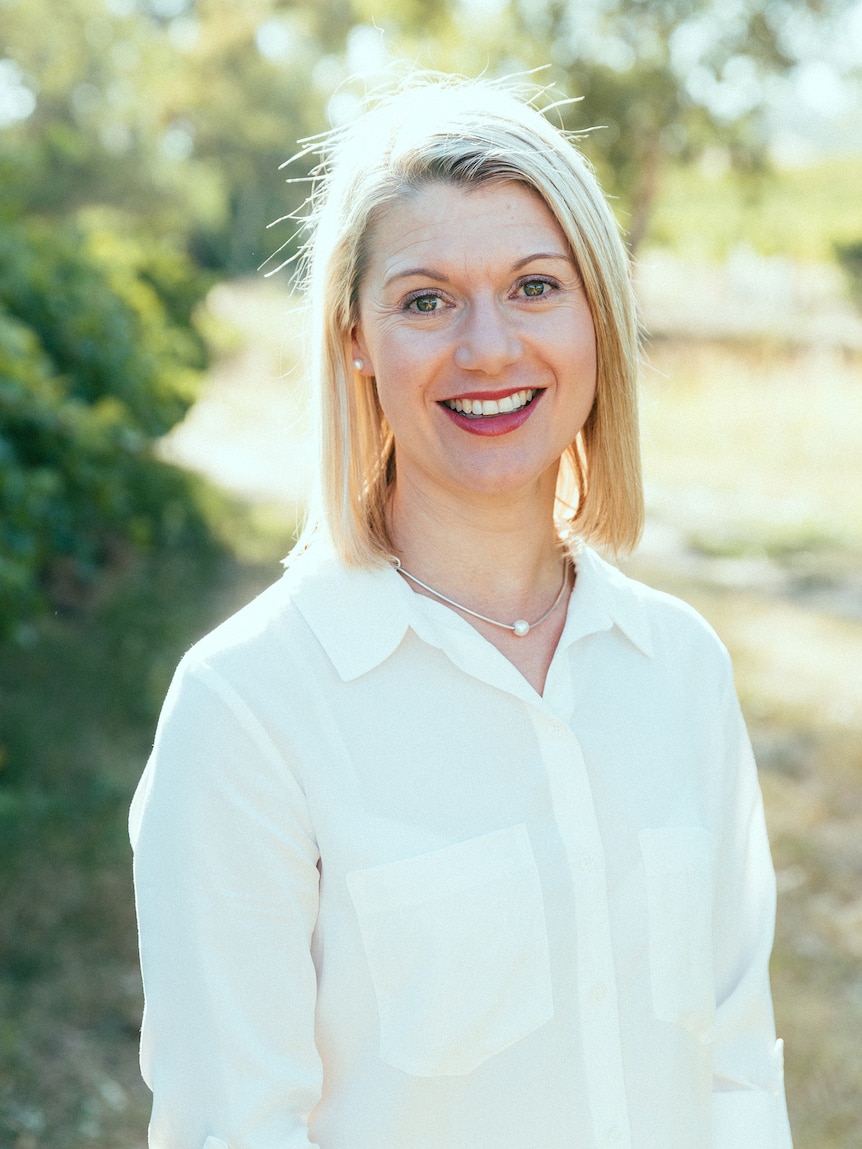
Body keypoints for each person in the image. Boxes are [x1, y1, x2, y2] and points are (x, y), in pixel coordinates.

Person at [130, 75, 793, 1149]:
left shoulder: (680, 667)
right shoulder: (249, 706)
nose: (487, 350)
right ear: (354, 338)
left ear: (597, 320)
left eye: (535, 287)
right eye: (426, 300)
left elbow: (732, 1074)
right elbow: (232, 1128)